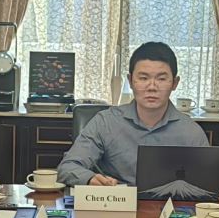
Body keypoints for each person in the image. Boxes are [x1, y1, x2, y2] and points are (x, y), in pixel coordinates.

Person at [55, 41, 210, 191]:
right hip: (116, 204)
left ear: (175, 83)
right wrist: (90, 179)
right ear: (130, 81)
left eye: (161, 79)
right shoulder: (105, 122)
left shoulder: (191, 133)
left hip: (170, 207)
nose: (152, 87)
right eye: (143, 78)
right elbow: (67, 167)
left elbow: (207, 184)